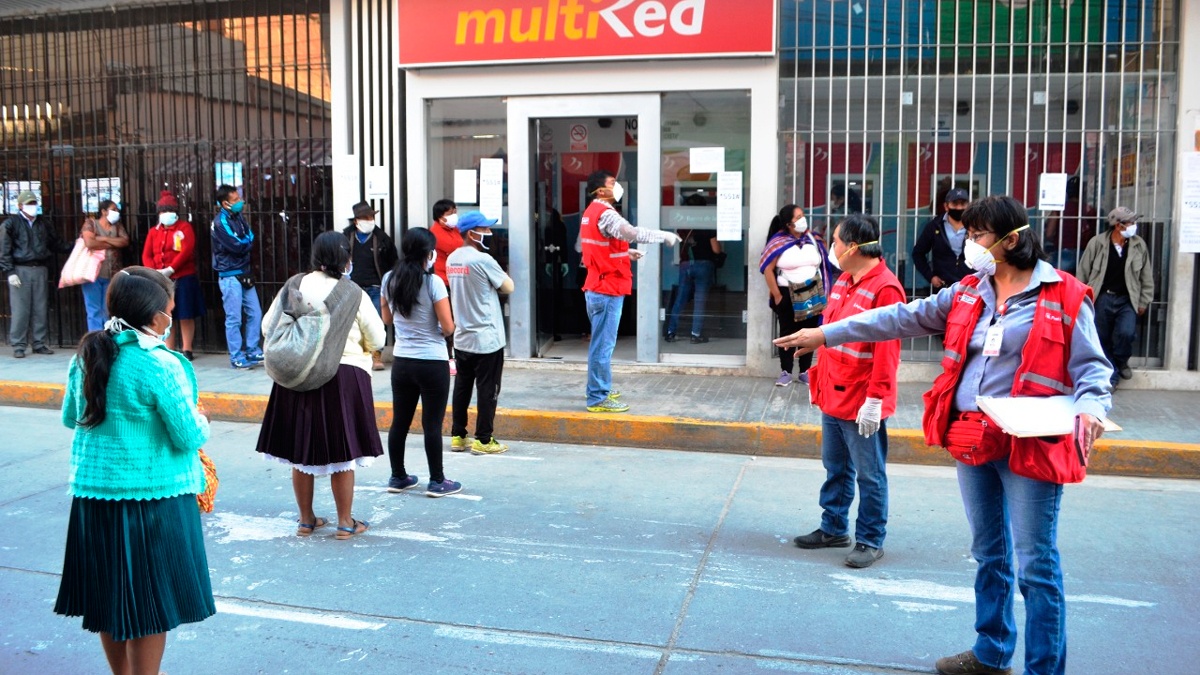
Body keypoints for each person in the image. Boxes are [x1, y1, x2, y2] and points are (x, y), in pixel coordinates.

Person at [776, 195, 1112, 675]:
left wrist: (1092, 409)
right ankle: (992, 652)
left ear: (1010, 240)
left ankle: (1043, 669)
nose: (967, 244)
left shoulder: (1065, 295)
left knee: (1036, 566)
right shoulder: (970, 290)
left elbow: (1093, 370)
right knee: (989, 554)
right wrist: (827, 334)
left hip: (1032, 445)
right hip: (974, 439)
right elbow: (900, 318)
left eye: (976, 235)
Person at [55, 266, 214, 674]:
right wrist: (202, 418)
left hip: (93, 496)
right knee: (150, 606)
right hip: (153, 498)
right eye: (170, 311)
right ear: (155, 316)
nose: (171, 317)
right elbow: (188, 436)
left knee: (110, 600)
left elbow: (72, 417)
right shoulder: (159, 364)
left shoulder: (88, 354)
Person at [785, 214, 904, 569]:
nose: (832, 248)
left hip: (861, 400)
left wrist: (875, 399)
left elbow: (887, 352)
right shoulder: (843, 281)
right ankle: (834, 528)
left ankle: (870, 539)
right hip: (833, 393)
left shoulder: (885, 288)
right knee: (836, 467)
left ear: (853, 247)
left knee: (870, 474)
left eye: (836, 241)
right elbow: (831, 334)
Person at [255, 231, 385, 540]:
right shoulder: (353, 293)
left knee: (300, 451)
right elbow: (378, 338)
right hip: (343, 376)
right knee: (342, 452)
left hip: (298, 375)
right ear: (345, 259)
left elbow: (267, 326)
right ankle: (345, 522)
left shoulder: (294, 285)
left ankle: (306, 520)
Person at [579, 170, 681, 413]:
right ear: (600, 190)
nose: (617, 187)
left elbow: (600, 249)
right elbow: (631, 233)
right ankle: (598, 397)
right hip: (607, 289)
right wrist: (663, 235)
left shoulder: (591, 212)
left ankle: (598, 387)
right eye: (613, 183)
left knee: (601, 344)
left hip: (598, 285)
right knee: (603, 345)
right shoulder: (606, 213)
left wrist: (625, 253)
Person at [382, 227, 462, 497]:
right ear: (428, 253)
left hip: (402, 362)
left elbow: (387, 319)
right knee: (432, 425)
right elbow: (448, 327)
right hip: (431, 362)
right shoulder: (433, 283)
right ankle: (437, 481)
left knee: (400, 422)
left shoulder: (389, 279)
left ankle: (398, 476)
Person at [447, 211, 515, 455]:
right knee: (488, 389)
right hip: (487, 338)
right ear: (471, 233)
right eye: (484, 229)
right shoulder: (483, 260)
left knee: (462, 388)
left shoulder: (452, 259)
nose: (489, 233)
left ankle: (458, 435)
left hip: (462, 337)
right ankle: (484, 440)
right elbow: (509, 286)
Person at [1077, 206, 1154, 389]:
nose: (1133, 226)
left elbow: (1146, 276)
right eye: (1130, 223)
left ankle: (1121, 360)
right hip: (1103, 297)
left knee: (1126, 333)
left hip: (1127, 299)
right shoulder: (1097, 243)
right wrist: (1081, 300)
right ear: (1118, 226)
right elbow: (1083, 272)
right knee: (1101, 338)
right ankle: (1111, 378)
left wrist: (1143, 301)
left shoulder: (1138, 245)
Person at [760, 204, 833, 387]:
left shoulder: (813, 239)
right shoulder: (778, 242)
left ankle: (804, 371)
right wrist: (777, 295)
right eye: (798, 217)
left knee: (809, 332)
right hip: (787, 295)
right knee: (788, 333)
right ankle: (786, 371)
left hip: (813, 293)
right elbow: (767, 269)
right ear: (788, 224)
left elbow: (824, 263)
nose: (803, 219)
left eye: (803, 215)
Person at [1, 190, 72, 358]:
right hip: (20, 269)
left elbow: (55, 243)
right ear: (20, 206)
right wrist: (10, 271)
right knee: (21, 309)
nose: (33, 206)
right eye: (29, 204)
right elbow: (4, 250)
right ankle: (19, 344)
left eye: (34, 203)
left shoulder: (44, 223)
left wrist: (75, 245)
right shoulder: (10, 224)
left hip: (40, 268)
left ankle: (39, 342)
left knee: (40, 307)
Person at [142, 190, 204, 360]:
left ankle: (187, 349)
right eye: (163, 211)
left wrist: (171, 268)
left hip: (183, 277)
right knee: (166, 315)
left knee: (185, 314)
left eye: (169, 210)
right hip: (161, 280)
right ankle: (169, 348)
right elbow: (147, 254)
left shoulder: (184, 228)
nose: (166, 214)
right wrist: (154, 271)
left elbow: (186, 250)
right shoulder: (154, 232)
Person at [211, 184, 263, 369]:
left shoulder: (239, 217)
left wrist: (245, 243)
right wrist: (246, 243)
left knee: (255, 312)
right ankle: (236, 356)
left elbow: (250, 236)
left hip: (243, 272)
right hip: (229, 274)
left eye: (239, 198)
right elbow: (237, 245)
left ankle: (252, 349)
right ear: (225, 203)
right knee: (234, 318)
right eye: (235, 200)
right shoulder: (220, 222)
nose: (240, 202)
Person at [342, 200, 398, 371]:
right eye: (365, 217)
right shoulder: (346, 237)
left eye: (371, 217)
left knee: (376, 322)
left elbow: (393, 262)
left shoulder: (382, 238)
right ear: (356, 221)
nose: (370, 220)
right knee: (353, 322)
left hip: (375, 287)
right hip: (352, 287)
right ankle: (357, 354)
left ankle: (376, 355)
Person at [664, 201, 722, 344]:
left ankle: (671, 332)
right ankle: (695, 335)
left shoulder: (683, 226)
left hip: (685, 265)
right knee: (699, 301)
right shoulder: (708, 225)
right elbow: (716, 250)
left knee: (680, 299)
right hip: (704, 265)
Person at [78, 199, 130, 331]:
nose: (117, 212)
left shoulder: (117, 226)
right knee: (94, 310)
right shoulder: (91, 224)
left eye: (117, 209)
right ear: (103, 211)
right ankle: (95, 337)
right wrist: (113, 243)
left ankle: (106, 337)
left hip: (112, 274)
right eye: (113, 209)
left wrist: (103, 238)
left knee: (108, 310)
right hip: (92, 274)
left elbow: (124, 241)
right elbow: (90, 243)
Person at [912, 187, 972, 293]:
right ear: (946, 206)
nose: (959, 208)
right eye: (955, 204)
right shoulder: (935, 226)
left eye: (963, 204)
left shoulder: (976, 226)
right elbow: (918, 253)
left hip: (971, 287)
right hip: (943, 288)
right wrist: (930, 276)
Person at [429, 198, 463, 374]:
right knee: (447, 321)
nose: (454, 216)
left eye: (455, 212)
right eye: (450, 213)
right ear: (440, 217)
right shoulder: (436, 233)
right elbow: (455, 247)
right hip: (443, 281)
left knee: (456, 320)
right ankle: (449, 357)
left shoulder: (454, 229)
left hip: (456, 279)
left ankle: (455, 355)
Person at [1043, 176, 1096, 275]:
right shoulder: (1089, 210)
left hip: (1063, 254)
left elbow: (1049, 233)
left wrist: (1057, 239)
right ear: (1083, 192)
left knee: (1050, 278)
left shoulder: (1059, 209)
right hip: (1084, 255)